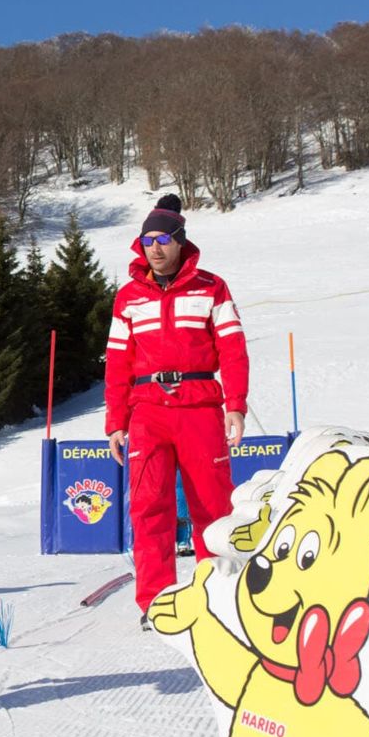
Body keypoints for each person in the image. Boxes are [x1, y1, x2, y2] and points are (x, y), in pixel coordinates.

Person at [106, 194, 248, 630]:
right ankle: (156, 602)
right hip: (147, 410)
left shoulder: (211, 287)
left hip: (200, 406)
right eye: (147, 239)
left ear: (181, 242)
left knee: (212, 505)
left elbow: (233, 348)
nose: (155, 247)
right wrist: (116, 423)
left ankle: (217, 595)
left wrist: (236, 406)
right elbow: (117, 362)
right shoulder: (128, 297)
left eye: (163, 239)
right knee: (149, 507)